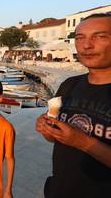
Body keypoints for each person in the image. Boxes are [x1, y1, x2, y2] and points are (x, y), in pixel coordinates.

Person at [36, 13, 111, 198]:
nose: (86, 45)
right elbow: (56, 139)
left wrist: (83, 142)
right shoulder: (69, 85)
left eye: (99, 36)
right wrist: (48, 131)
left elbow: (76, 140)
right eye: (80, 38)